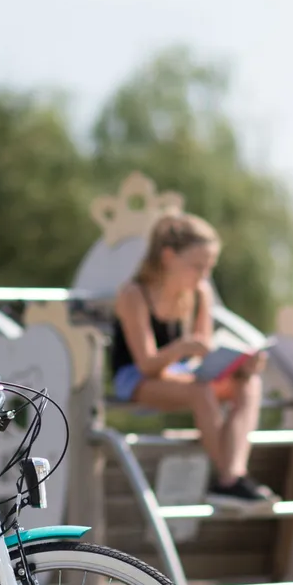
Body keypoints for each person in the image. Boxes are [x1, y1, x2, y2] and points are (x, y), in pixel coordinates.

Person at [110, 213, 278, 507]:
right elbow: (146, 365)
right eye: (197, 266)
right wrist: (181, 348)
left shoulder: (200, 292)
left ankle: (234, 474)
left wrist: (239, 365)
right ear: (168, 257)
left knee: (248, 382)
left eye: (209, 267)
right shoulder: (134, 293)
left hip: (181, 374)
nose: (203, 275)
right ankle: (229, 481)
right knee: (200, 391)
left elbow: (203, 353)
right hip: (136, 377)